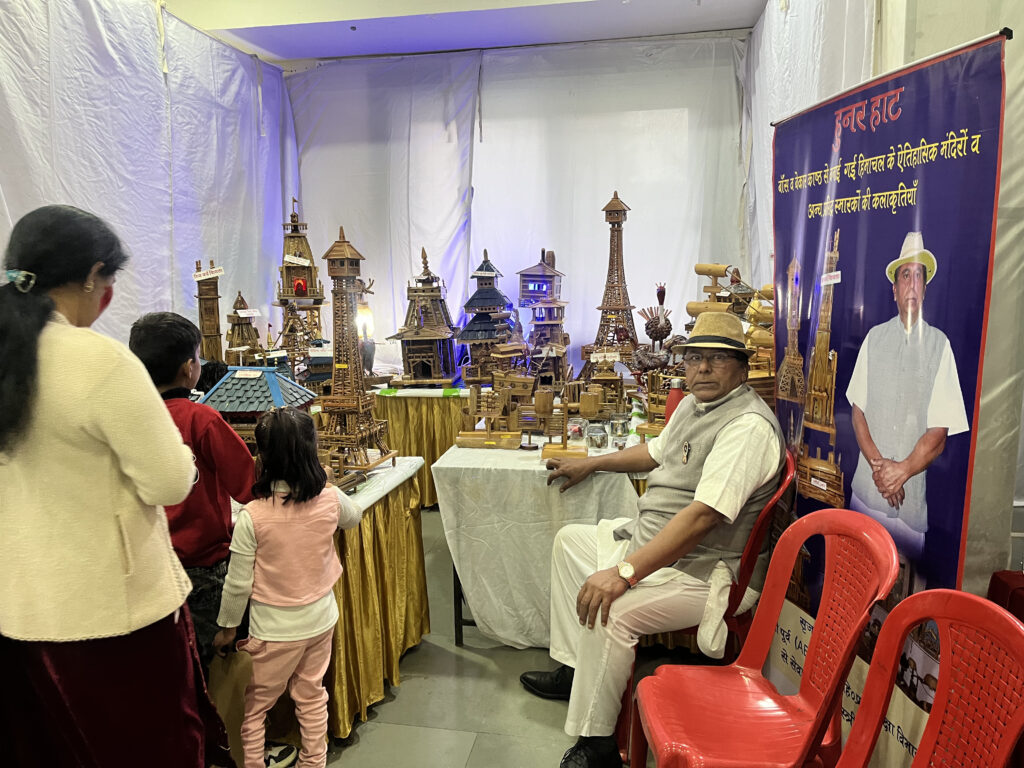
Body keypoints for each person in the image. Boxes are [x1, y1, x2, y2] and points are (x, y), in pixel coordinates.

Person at [0, 205, 232, 767]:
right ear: (91, 276)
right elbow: (169, 480)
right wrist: (183, 458)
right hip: (113, 610)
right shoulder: (97, 360)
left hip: (20, 607)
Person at [520, 312, 785, 768]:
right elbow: (655, 452)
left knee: (613, 610)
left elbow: (703, 519)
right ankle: (576, 669)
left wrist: (624, 573)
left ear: (742, 370)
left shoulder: (747, 427)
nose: (703, 368)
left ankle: (598, 744)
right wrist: (592, 463)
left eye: (718, 359)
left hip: (708, 572)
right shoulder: (694, 404)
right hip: (661, 545)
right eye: (695, 358)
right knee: (569, 542)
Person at [213, 407, 362, 768]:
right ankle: (314, 761)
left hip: (274, 629)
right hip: (321, 618)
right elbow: (353, 517)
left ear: (262, 457)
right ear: (312, 450)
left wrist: (228, 627)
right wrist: (328, 487)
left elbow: (237, 583)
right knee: (312, 695)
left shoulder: (253, 516)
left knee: (254, 707)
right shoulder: (328, 498)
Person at [129, 312, 256, 671]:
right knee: (211, 662)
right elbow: (247, 484)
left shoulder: (130, 419)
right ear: (189, 368)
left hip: (150, 563)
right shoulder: (202, 419)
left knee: (168, 662)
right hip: (205, 564)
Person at [845, 231, 968, 562]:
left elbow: (939, 433)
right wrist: (882, 472)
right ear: (895, 289)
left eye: (918, 276)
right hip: (866, 495)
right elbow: (858, 413)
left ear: (925, 289)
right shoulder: (873, 339)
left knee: (902, 589)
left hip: (908, 505)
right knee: (856, 577)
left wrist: (901, 472)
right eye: (905, 275)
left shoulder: (940, 346)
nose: (912, 284)